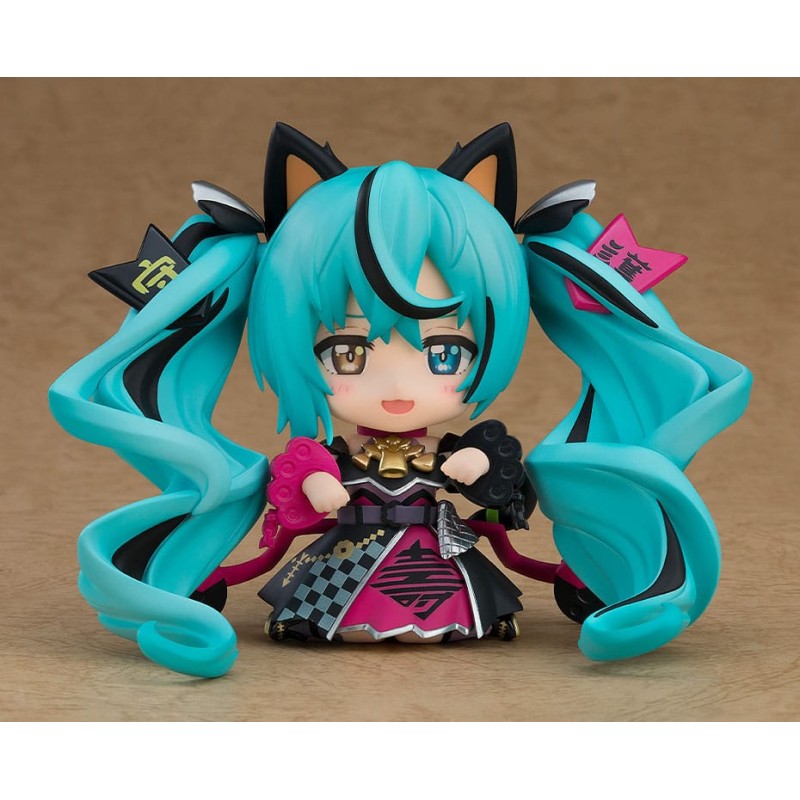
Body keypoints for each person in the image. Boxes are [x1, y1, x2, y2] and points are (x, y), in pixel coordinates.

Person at [49, 122, 751, 676]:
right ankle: (184, 594)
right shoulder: (327, 455)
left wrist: (481, 468)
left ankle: (619, 592)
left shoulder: (456, 448)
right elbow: (295, 486)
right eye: (347, 354)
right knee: (329, 596)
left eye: (444, 354)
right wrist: (314, 487)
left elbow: (501, 502)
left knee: (463, 589)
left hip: (437, 548)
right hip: (348, 553)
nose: (396, 388)